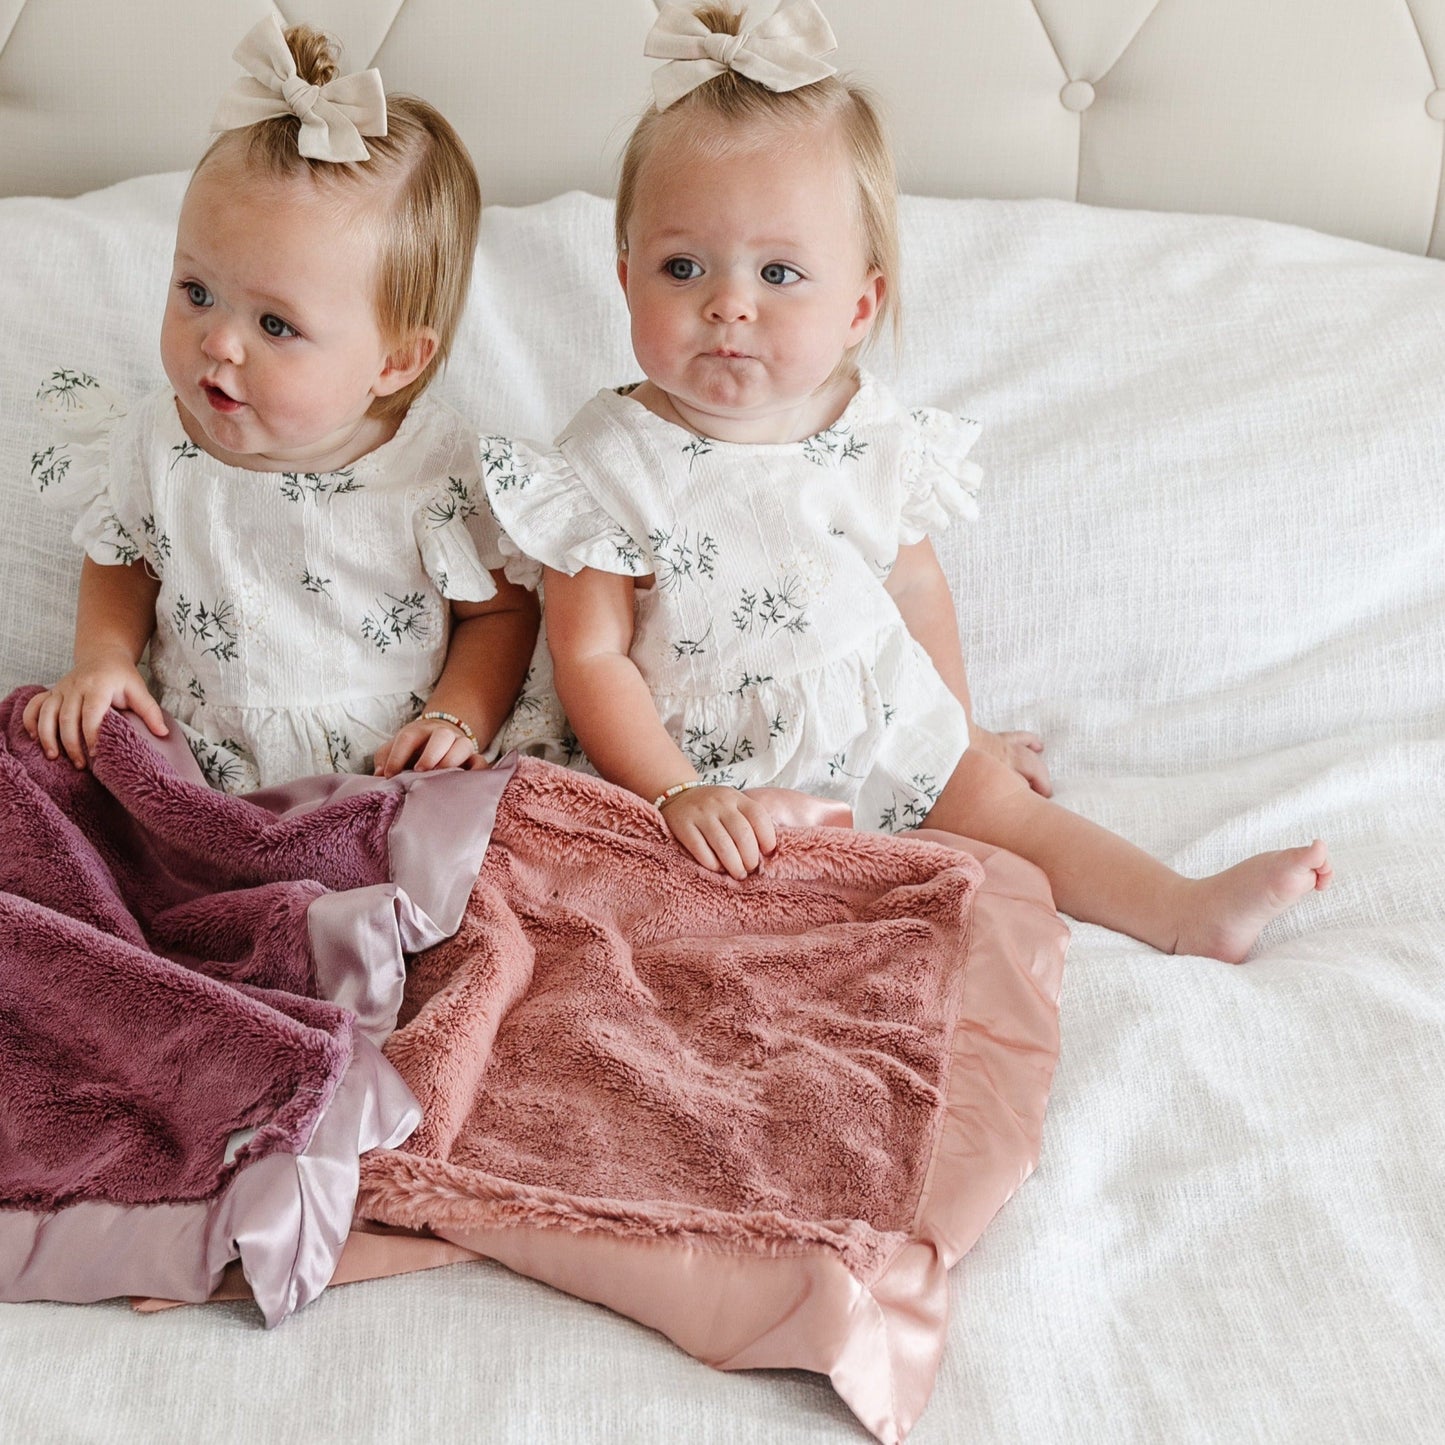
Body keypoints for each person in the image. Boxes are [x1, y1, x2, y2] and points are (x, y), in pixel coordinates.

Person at [483, 0, 1332, 961]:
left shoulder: (873, 435)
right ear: (625, 273)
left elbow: (916, 587)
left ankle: (1179, 907)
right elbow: (591, 659)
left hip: (877, 726)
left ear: (859, 303)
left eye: (779, 273)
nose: (728, 304)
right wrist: (677, 789)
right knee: (624, 896)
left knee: (1006, 815)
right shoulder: (602, 464)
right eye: (684, 267)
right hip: (686, 774)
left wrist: (960, 734)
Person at [24, 17, 536, 794]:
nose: (219, 343)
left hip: (386, 780)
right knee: (39, 765)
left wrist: (456, 721)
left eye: (275, 324)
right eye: (197, 292)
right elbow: (123, 555)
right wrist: (102, 659)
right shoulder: (162, 444)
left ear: (395, 361)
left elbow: (499, 617)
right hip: (200, 766)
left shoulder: (436, 470)